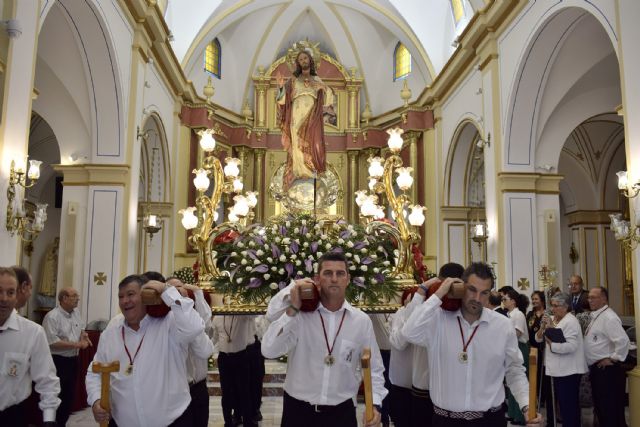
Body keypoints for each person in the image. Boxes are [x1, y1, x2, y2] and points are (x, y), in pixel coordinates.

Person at [403, 262, 542, 426]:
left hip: (490, 420)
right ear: (460, 287)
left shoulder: (502, 326)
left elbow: (514, 371)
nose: (477, 299)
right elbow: (409, 333)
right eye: (472, 290)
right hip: (445, 421)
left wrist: (526, 406)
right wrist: (439, 293)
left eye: (484, 293)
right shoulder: (438, 320)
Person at [262, 251, 386, 427]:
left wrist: (374, 404)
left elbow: (374, 369)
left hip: (341, 414)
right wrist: (292, 307)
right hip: (298, 413)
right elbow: (268, 350)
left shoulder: (361, 321)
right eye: (328, 273)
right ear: (317, 279)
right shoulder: (299, 317)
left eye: (340, 273)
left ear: (348, 279)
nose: (334, 279)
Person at [86, 274, 209, 427]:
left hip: (174, 422)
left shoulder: (169, 323)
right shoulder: (111, 333)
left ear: (146, 296)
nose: (125, 301)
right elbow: (94, 372)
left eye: (131, 294)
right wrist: (96, 400)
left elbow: (195, 328)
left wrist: (166, 290)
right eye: (121, 296)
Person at [0, 267, 61, 426]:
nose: (4, 298)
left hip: (11, 417)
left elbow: (47, 380)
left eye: (10, 292)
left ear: (17, 295)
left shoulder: (33, 333)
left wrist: (49, 419)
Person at [276, 49, 334, 189]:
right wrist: (281, 87)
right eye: (300, 59)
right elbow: (282, 101)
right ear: (297, 63)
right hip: (296, 114)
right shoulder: (293, 81)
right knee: (296, 142)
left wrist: (324, 88)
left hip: (312, 115)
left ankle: (310, 170)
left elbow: (328, 101)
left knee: (312, 143)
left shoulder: (317, 80)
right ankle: (298, 171)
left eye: (305, 58)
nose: (303, 61)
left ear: (310, 61)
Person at [166, 276, 214, 427]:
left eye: (180, 288)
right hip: (177, 389)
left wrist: (198, 294)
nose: (178, 292)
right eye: (172, 289)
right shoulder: (166, 320)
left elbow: (206, 322)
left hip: (198, 387)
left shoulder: (193, 316)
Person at [536, 292, 587, 427]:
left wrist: (551, 343)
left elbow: (571, 346)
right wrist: (543, 328)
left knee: (569, 407)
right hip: (558, 370)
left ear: (565, 307)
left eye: (555, 306)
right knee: (563, 407)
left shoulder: (571, 321)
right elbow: (538, 338)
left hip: (569, 370)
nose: (552, 309)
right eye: (552, 305)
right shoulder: (554, 318)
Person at [42, 287, 92, 426]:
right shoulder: (52, 316)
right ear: (64, 298)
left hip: (73, 361)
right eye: (74, 295)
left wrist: (84, 335)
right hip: (57, 361)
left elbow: (80, 328)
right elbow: (52, 343)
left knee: (68, 396)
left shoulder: (75, 312)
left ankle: (63, 423)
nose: (78, 298)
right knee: (56, 395)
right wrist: (77, 345)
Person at [584, 286, 630, 427]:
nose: (590, 300)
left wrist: (613, 358)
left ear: (604, 298)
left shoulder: (609, 317)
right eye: (589, 297)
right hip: (598, 370)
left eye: (593, 297)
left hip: (607, 372)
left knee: (609, 409)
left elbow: (623, 341)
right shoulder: (597, 315)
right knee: (601, 408)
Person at [212, 313, 258, 427]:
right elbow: (215, 338)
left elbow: (254, 314)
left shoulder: (241, 315)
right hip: (224, 359)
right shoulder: (217, 317)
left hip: (240, 357)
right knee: (226, 392)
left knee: (244, 391)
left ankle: (248, 421)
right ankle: (228, 422)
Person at [526, 291, 554, 426]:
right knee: (533, 381)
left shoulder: (548, 315)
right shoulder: (530, 315)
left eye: (536, 299)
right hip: (533, 351)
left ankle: (551, 414)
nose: (534, 301)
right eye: (532, 299)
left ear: (543, 301)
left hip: (545, 351)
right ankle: (534, 411)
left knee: (547, 385)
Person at [503, 288, 530, 425]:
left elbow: (518, 333)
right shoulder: (509, 314)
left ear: (513, 301)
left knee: (518, 377)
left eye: (505, 299)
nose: (503, 302)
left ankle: (521, 416)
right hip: (513, 345)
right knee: (510, 381)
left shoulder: (518, 314)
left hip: (521, 346)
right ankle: (513, 413)